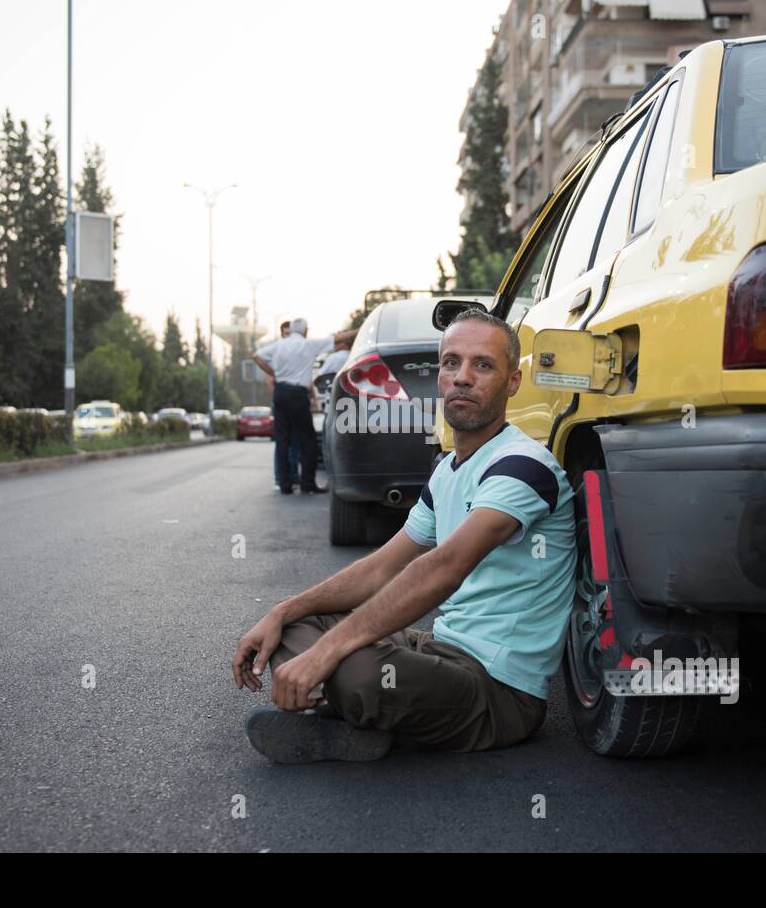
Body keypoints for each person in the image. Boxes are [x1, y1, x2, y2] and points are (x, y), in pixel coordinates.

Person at [232, 309, 576, 762]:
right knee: (297, 628)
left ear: (513, 382)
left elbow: (445, 567)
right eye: (451, 363)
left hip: (498, 690)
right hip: (437, 649)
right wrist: (282, 610)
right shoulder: (450, 470)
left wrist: (328, 652)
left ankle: (349, 715)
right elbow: (380, 568)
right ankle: (365, 722)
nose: (462, 378)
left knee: (356, 669)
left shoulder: (523, 465)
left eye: (483, 365)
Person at [253, 318, 355, 494]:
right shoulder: (309, 345)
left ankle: (285, 485)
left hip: (280, 392)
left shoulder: (278, 345)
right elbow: (339, 338)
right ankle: (307, 483)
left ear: (291, 330)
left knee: (282, 440)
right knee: (307, 440)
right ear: (305, 330)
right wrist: (361, 328)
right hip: (297, 395)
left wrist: (273, 373)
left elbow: (257, 356)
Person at [270, 321, 301, 492]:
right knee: (283, 441)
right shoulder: (279, 352)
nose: (289, 336)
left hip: (296, 399)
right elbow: (272, 379)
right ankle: (280, 478)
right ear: (282, 334)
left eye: (291, 333)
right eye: (286, 333)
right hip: (282, 400)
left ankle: (293, 476)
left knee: (295, 441)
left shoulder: (297, 352)